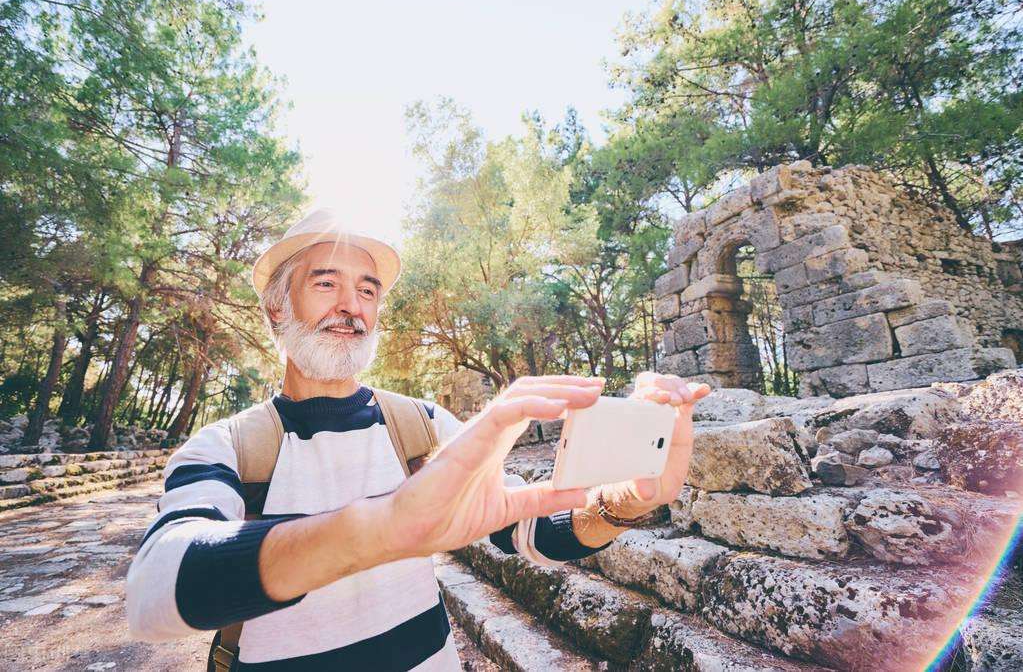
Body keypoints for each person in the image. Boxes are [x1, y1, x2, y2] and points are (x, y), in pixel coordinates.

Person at [125, 208, 710, 670]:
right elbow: (157, 589)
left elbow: (528, 531)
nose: (351, 306)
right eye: (325, 283)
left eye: (369, 290)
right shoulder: (224, 446)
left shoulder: (424, 426)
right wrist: (380, 529)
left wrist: (624, 502)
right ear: (276, 308)